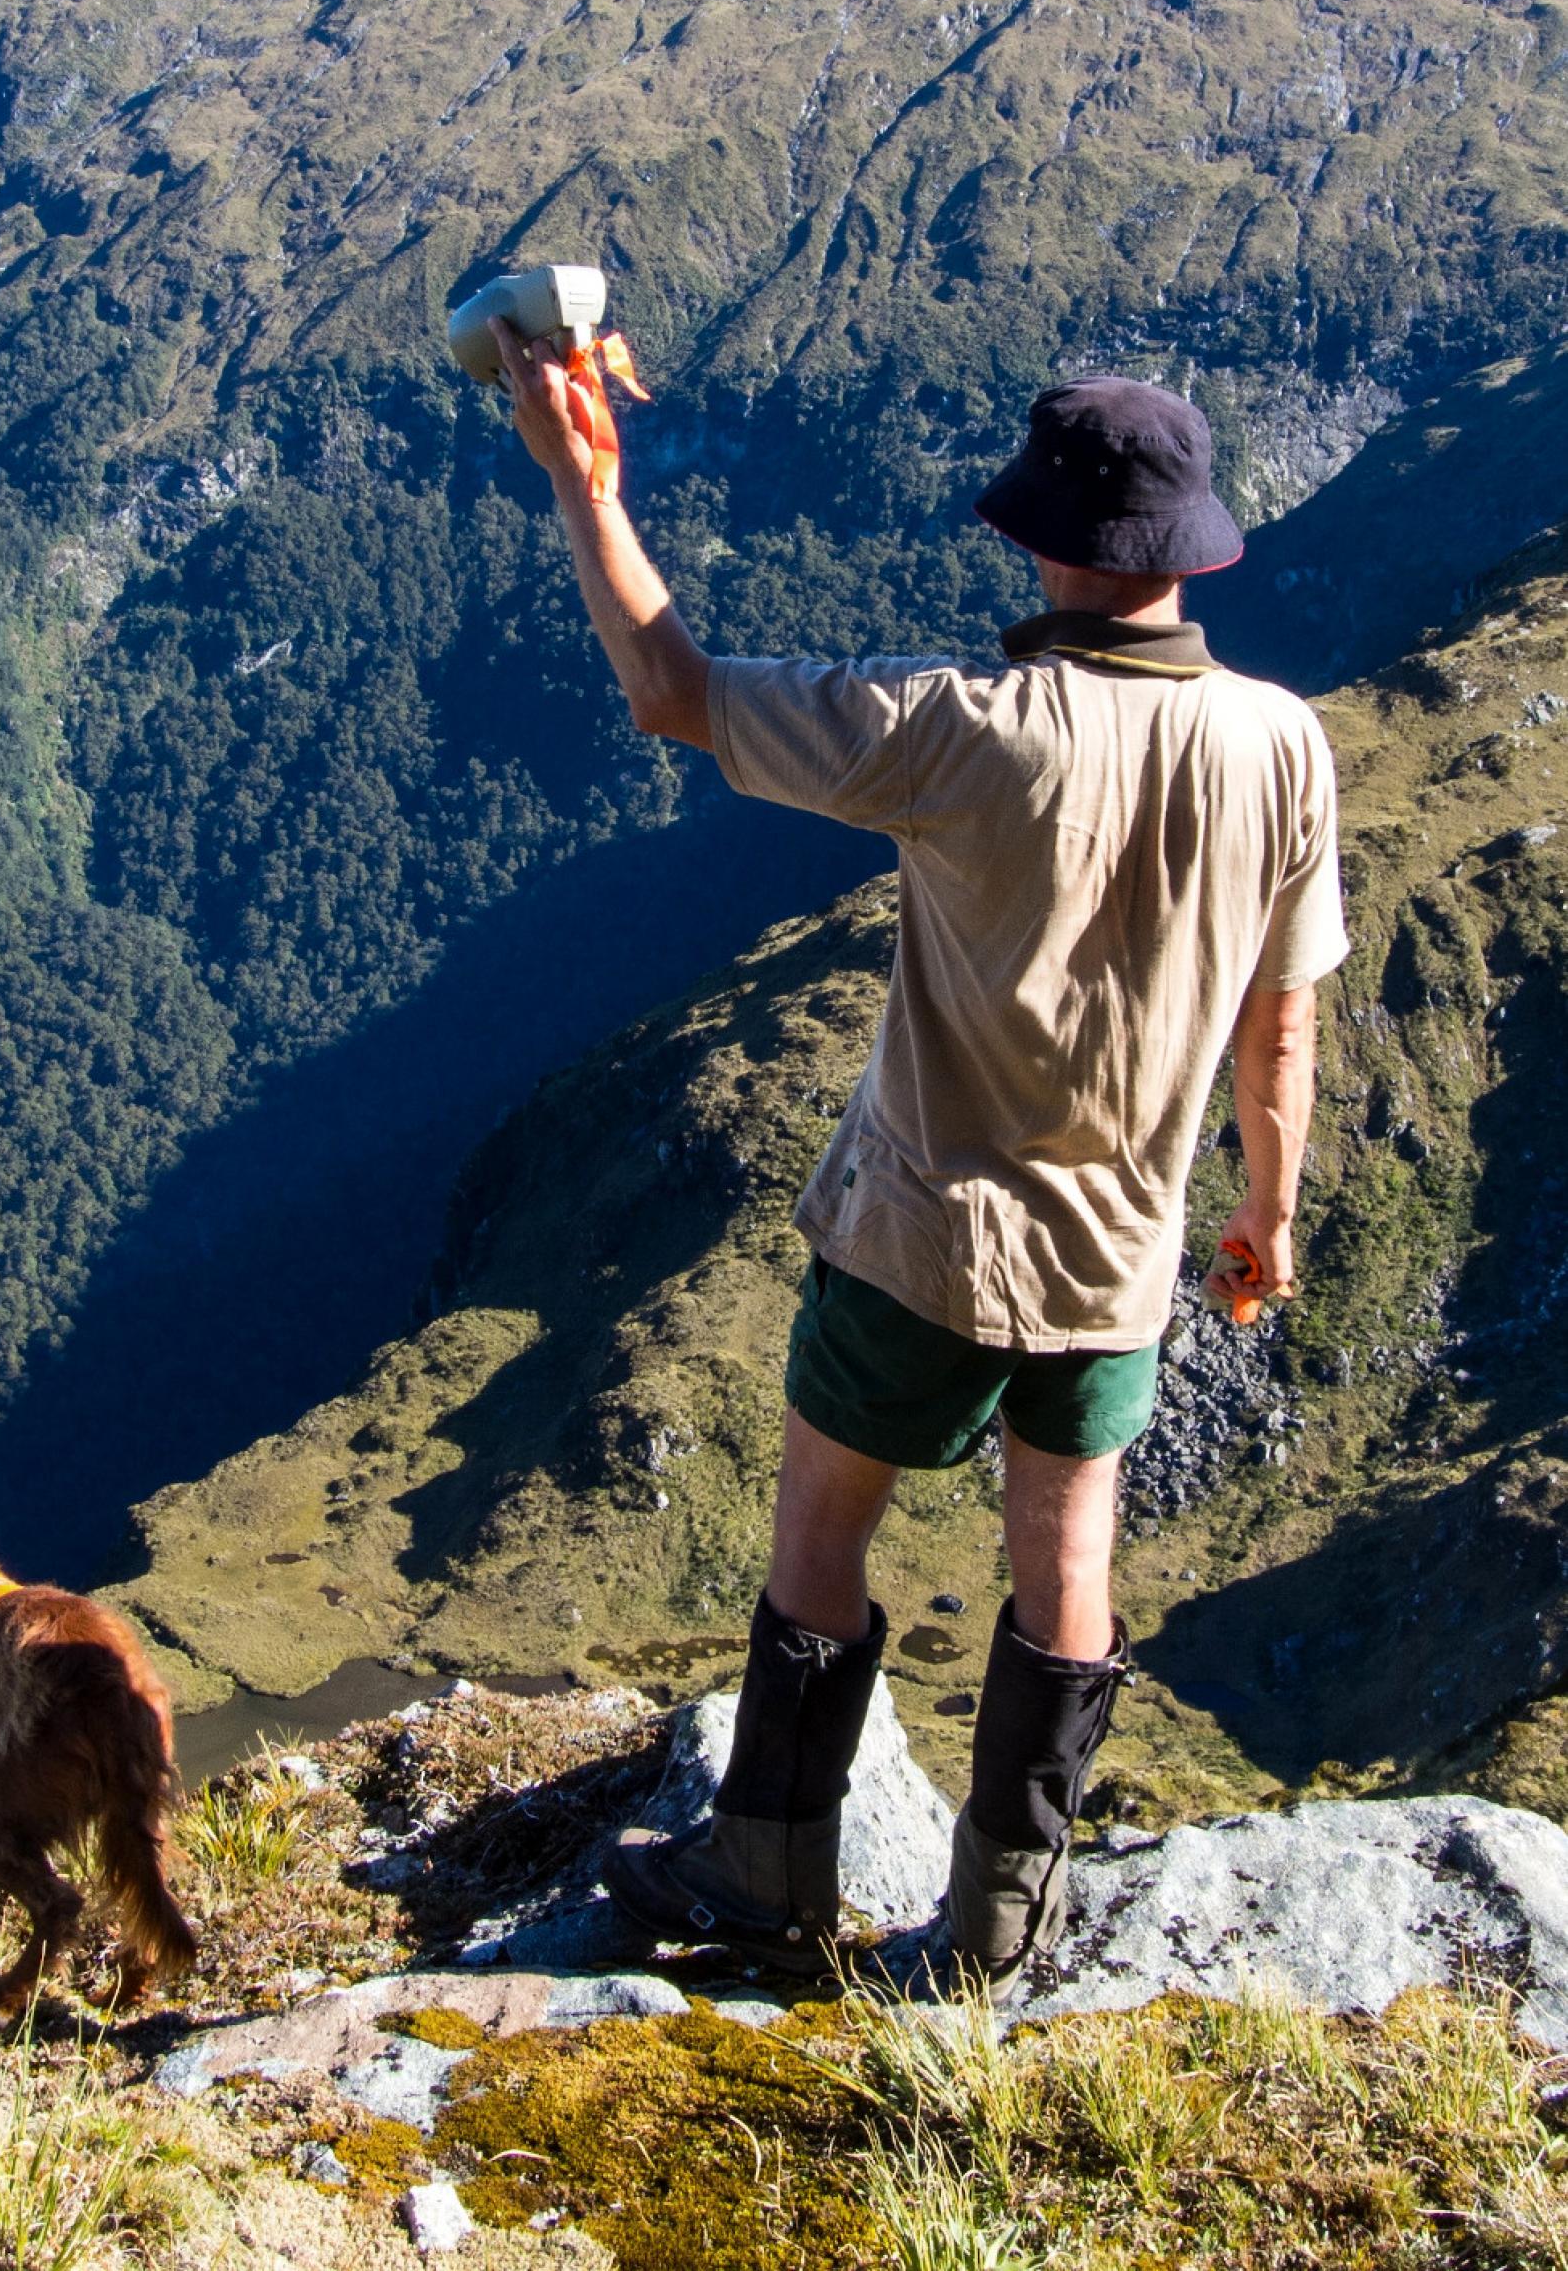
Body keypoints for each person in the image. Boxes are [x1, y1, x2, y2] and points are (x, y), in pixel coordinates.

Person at [490, 322, 1348, 1995]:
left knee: (822, 1531)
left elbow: (672, 690)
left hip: (921, 1232)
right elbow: (1283, 1029)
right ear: (1186, 554)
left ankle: (767, 1868)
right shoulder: (1283, 745)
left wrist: (583, 483)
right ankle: (993, 1928)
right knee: (1069, 1566)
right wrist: (1266, 1213)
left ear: (1044, 541)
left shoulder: (969, 728)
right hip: (1117, 1254)